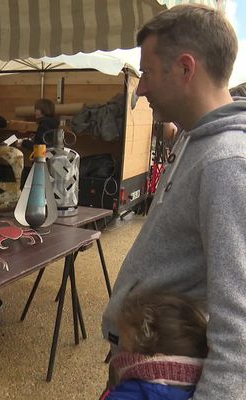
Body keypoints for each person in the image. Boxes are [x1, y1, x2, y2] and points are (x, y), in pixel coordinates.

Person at [101, 5, 246, 399]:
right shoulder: (193, 140)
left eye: (146, 72)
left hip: (165, 383)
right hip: (145, 368)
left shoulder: (226, 161)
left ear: (185, 68)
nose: (141, 88)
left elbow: (239, 322)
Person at [101, 291, 207, 400]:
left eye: (124, 348)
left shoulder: (126, 394)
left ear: (155, 360)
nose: (118, 354)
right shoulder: (202, 386)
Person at [19, 98, 60, 187]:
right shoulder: (53, 123)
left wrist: (23, 142)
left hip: (42, 161)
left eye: (36, 110)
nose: (35, 112)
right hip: (51, 160)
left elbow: (40, 146)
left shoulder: (44, 124)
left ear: (42, 110)